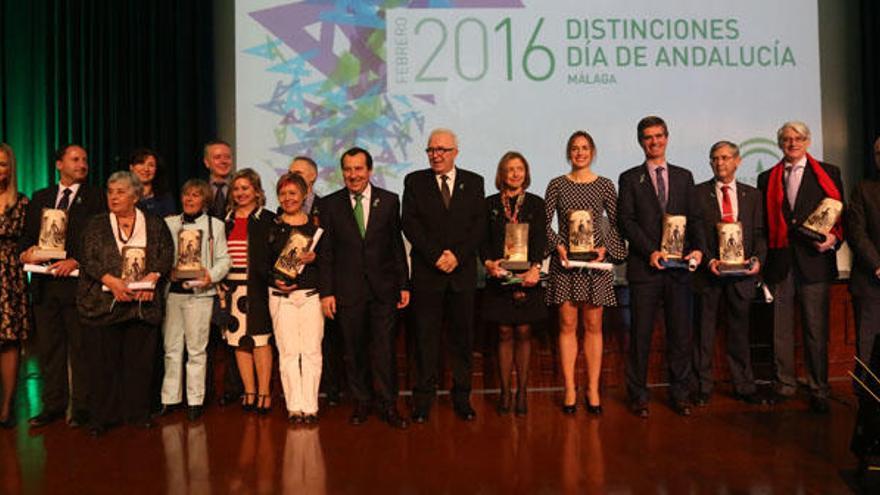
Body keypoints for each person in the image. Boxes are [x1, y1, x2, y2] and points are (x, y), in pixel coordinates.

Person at [617, 116, 705, 418]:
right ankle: (638, 395)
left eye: (658, 136)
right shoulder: (629, 178)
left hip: (679, 271)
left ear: (667, 138)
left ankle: (680, 394)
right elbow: (625, 221)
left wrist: (698, 249)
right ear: (640, 141)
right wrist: (650, 251)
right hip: (645, 270)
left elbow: (694, 219)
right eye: (648, 137)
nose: (654, 142)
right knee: (640, 335)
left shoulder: (684, 176)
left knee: (680, 335)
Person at [319, 147, 410, 428]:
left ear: (369, 171)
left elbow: (396, 247)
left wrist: (404, 285)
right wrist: (326, 293)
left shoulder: (390, 200)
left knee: (384, 351)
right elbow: (327, 253)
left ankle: (388, 405)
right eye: (348, 169)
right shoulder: (330, 204)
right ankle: (361, 403)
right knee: (354, 351)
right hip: (348, 291)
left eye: (358, 169)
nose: (353, 175)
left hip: (384, 290)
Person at [77, 171, 173, 436]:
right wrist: (112, 282)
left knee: (139, 365)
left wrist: (152, 278)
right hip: (104, 303)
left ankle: (138, 414)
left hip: (141, 305)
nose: (114, 197)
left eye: (120, 192)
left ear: (135, 195)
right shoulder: (95, 224)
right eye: (110, 191)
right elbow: (88, 258)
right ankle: (101, 418)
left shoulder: (154, 223)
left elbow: (166, 254)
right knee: (101, 365)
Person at [757, 121, 844, 414]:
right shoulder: (766, 177)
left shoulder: (829, 174)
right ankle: (785, 385)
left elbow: (839, 216)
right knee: (780, 330)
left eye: (798, 139)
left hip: (814, 261)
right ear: (780, 143)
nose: (792, 143)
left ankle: (819, 387)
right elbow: (765, 225)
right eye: (786, 139)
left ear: (808, 142)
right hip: (780, 261)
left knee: (815, 329)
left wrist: (833, 239)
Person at [402, 128, 486, 423]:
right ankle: (423, 400)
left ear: (455, 152)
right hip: (428, 274)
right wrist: (436, 255)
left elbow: (479, 226)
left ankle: (462, 398)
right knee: (425, 340)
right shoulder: (415, 181)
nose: (436, 155)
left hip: (461, 275)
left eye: (442, 150)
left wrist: (457, 256)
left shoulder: (474, 182)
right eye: (431, 150)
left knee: (462, 340)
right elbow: (409, 223)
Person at [19, 144, 105, 429]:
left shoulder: (96, 198)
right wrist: (26, 253)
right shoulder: (40, 197)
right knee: (50, 349)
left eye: (85, 159)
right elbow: (26, 238)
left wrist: (77, 261)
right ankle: (53, 405)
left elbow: (101, 242)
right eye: (75, 159)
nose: (82, 164)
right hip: (45, 286)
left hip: (77, 286)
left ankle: (81, 408)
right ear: (59, 164)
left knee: (80, 350)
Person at [545, 133, 626, 415]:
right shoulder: (557, 184)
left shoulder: (605, 185)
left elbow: (618, 224)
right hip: (566, 265)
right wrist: (558, 246)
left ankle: (592, 389)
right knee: (567, 327)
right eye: (575, 149)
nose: (580, 153)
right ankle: (569, 389)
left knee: (593, 328)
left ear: (592, 151)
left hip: (595, 267)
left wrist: (606, 248)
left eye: (585, 148)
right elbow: (544, 224)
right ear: (569, 153)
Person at [692, 141, 767, 406]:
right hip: (708, 275)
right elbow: (696, 234)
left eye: (725, 158)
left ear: (737, 161)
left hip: (742, 276)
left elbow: (759, 234)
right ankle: (702, 387)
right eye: (715, 158)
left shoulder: (753, 195)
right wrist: (709, 259)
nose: (720, 163)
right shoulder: (698, 193)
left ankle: (744, 386)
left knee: (740, 333)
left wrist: (758, 259)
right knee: (704, 334)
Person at [481, 151, 547, 416]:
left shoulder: (536, 203)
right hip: (499, 277)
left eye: (520, 168)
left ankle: (522, 392)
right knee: (504, 332)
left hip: (528, 277)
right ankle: (505, 392)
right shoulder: (488, 204)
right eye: (509, 169)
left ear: (526, 172)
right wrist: (488, 263)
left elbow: (541, 240)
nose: (515, 173)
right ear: (502, 174)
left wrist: (536, 269)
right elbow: (481, 240)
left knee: (523, 332)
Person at [160, 179, 231, 421]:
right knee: (171, 349)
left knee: (196, 350)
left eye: (195, 195)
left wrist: (209, 276)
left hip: (200, 295)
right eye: (186, 195)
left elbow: (224, 259)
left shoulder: (215, 226)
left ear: (205, 200)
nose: (190, 199)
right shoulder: (169, 224)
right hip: (174, 295)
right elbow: (160, 255)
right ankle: (170, 398)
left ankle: (195, 400)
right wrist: (165, 270)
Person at [266, 173, 323, 424]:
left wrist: (315, 259)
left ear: (304, 196)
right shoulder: (271, 226)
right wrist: (273, 279)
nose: (287, 198)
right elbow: (260, 263)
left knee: (311, 352)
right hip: (280, 297)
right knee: (288, 352)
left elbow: (331, 263)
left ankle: (310, 406)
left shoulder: (317, 228)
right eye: (283, 193)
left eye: (293, 193)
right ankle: (294, 406)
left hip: (310, 296)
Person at [288, 155, 343, 406]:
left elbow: (335, 246)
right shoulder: (283, 209)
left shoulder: (328, 206)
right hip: (291, 288)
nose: (294, 176)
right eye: (291, 172)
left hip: (323, 285)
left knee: (328, 342)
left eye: (299, 172)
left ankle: (331, 391)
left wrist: (317, 257)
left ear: (313, 177)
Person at [223, 169, 276, 414]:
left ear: (256, 191)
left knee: (260, 341)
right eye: (236, 189)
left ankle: (264, 392)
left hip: (258, 288)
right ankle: (249, 391)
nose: (240, 193)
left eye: (245, 188)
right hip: (231, 289)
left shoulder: (267, 218)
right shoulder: (226, 220)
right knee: (239, 342)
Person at [202, 140, 242, 407]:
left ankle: (232, 389)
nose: (223, 161)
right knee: (203, 340)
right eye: (217, 157)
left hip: (234, 273)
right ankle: (202, 392)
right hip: (202, 276)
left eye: (227, 156)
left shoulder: (239, 192)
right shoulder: (197, 192)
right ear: (207, 162)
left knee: (233, 337)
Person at [0, 144, 29, 428]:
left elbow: (29, 240)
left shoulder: (21, 202)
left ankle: (6, 407)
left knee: (9, 341)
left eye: (3, 164)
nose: (0, 169)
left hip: (9, 275)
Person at [848, 136, 880, 384]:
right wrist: (877, 265)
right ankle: (867, 403)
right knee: (868, 344)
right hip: (871, 280)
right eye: (878, 153)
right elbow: (857, 233)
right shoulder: (863, 189)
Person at [129, 148, 176, 218]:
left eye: (151, 165)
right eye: (141, 163)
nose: (146, 169)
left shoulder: (165, 198)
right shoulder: (123, 195)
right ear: (131, 167)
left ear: (156, 169)